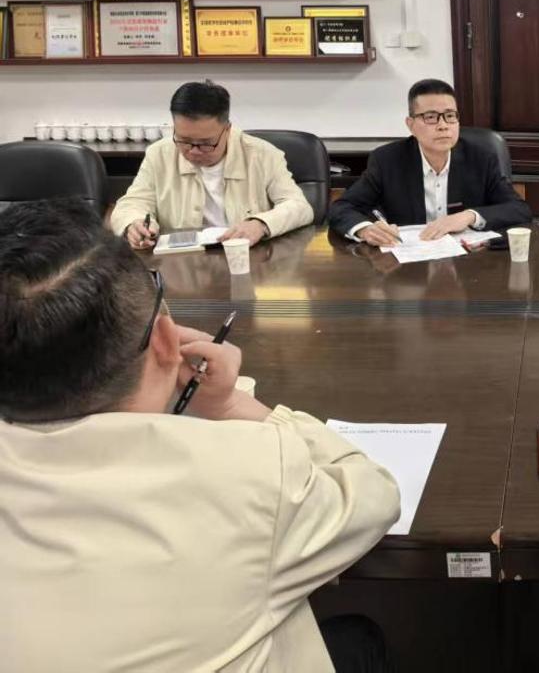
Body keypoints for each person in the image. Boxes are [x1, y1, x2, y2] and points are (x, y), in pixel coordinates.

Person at [0, 199, 400, 672]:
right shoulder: (247, 473)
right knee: (358, 639)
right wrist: (231, 407)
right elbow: (373, 495)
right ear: (166, 341)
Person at [111, 80, 314, 249]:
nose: (194, 151)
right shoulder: (159, 154)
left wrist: (261, 224)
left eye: (206, 143)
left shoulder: (262, 155)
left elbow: (299, 207)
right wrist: (134, 224)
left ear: (228, 129)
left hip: (246, 257)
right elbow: (132, 204)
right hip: (182, 263)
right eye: (184, 140)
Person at [328, 78, 532, 246]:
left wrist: (469, 216)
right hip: (408, 266)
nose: (443, 125)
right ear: (411, 125)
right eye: (431, 117)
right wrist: (365, 229)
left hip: (468, 265)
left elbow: (519, 209)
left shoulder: (481, 158)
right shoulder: (387, 160)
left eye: (450, 116)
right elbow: (341, 208)